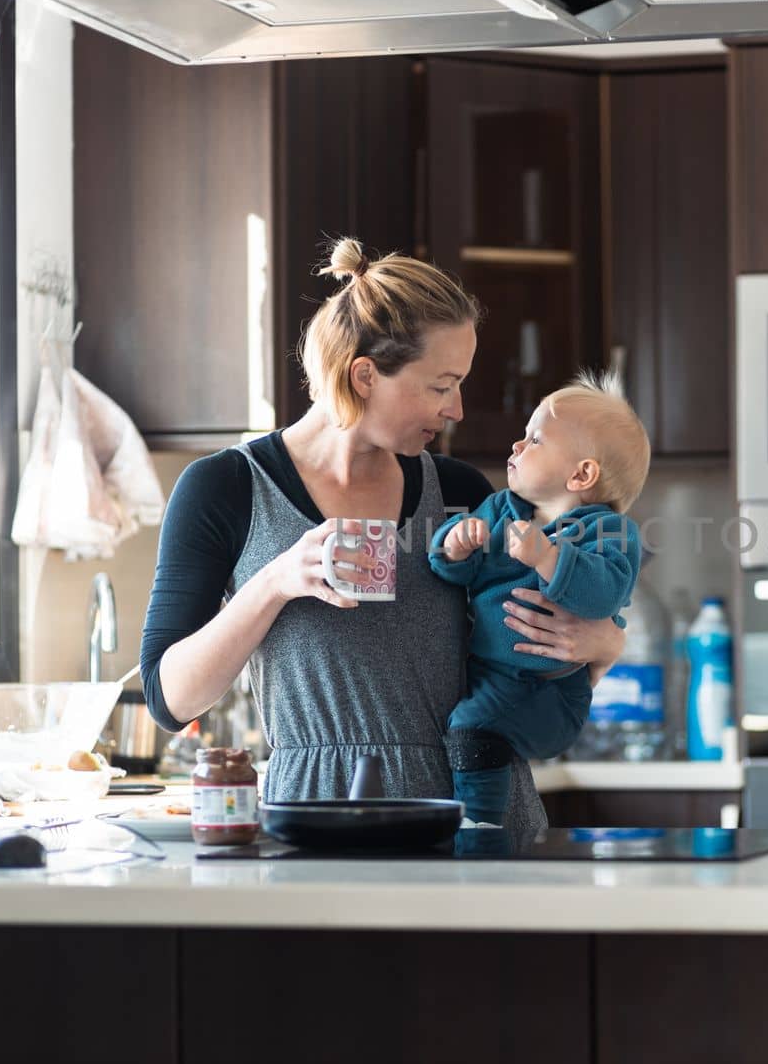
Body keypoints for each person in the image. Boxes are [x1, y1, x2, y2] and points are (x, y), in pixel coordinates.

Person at [138, 237, 626, 833]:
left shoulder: (462, 493)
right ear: (365, 375)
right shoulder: (226, 487)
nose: (458, 410)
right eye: (441, 385)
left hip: (477, 820)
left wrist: (602, 648)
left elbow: (525, 657)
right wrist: (275, 582)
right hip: (322, 818)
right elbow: (170, 700)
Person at [430, 371, 649, 825]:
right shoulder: (499, 509)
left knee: (470, 727)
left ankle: (481, 830)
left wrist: (548, 557)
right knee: (466, 720)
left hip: (548, 692)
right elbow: (458, 572)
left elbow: (604, 593)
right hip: (492, 672)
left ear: (581, 473)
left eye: (535, 440)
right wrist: (454, 545)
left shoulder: (608, 530)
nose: (516, 447)